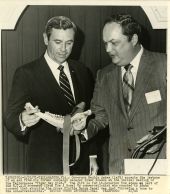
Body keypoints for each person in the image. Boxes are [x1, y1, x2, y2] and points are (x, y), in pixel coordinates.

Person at [72, 14, 167, 174]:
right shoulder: (104, 75)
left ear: (134, 39)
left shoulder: (164, 65)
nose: (108, 49)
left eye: (114, 43)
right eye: (105, 43)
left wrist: (163, 138)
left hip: (159, 165)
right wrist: (83, 126)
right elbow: (99, 118)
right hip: (119, 167)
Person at [5, 16, 98, 174]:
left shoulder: (82, 71)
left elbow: (91, 115)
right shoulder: (26, 73)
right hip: (45, 165)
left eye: (69, 43)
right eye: (58, 42)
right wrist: (22, 119)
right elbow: (10, 118)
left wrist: (92, 156)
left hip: (81, 164)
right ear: (45, 39)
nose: (64, 49)